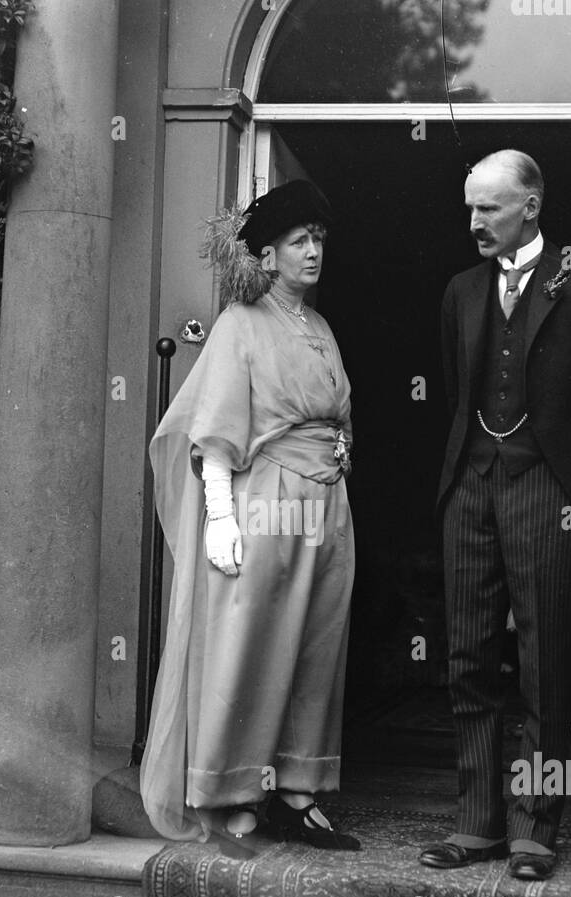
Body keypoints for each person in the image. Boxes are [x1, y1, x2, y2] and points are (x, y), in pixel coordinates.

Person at [421, 150, 571, 880]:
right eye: (469, 207)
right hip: (470, 489)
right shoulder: (460, 291)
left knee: (545, 666)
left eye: (489, 207)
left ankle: (534, 829)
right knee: (467, 659)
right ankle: (476, 823)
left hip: (549, 496)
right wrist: (469, 474)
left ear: (532, 207)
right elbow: (462, 392)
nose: (474, 221)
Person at [140, 179, 360, 858]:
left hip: (327, 505)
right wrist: (219, 517)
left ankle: (298, 793)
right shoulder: (240, 324)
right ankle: (232, 794)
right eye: (298, 241)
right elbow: (214, 430)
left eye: (318, 238)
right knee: (252, 646)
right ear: (267, 255)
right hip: (266, 502)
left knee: (317, 647)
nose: (312, 250)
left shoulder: (318, 326)